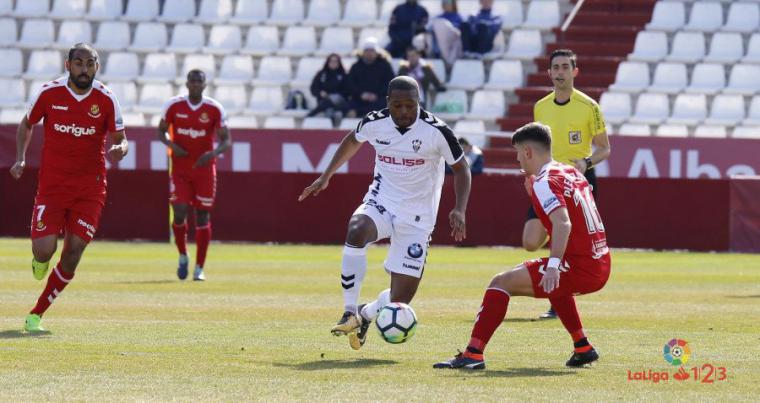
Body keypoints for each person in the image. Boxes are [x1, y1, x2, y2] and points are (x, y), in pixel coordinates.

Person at [299, 76, 471, 351]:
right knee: (356, 229)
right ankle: (348, 309)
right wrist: (326, 175)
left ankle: (365, 316)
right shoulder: (374, 122)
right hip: (382, 201)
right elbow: (353, 140)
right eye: (398, 106)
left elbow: (462, 168)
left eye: (410, 106)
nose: (404, 112)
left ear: (419, 103)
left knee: (400, 300)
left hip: (418, 216)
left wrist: (459, 208)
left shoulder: (436, 131)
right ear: (388, 103)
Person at [433, 122, 611, 370]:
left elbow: (563, 223)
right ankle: (582, 347)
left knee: (500, 283)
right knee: (555, 287)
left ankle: (473, 354)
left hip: (581, 266)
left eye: (517, 152)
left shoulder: (545, 180)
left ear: (528, 151)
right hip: (600, 260)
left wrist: (553, 265)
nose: (517, 158)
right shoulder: (569, 172)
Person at [9, 43, 128, 332]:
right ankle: (40, 261)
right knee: (43, 251)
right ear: (68, 65)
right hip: (52, 186)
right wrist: (21, 159)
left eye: (90, 63)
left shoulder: (107, 98)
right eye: (79, 63)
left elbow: (121, 138)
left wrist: (119, 148)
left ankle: (37, 313)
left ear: (96, 67)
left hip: (90, 189)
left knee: (73, 253)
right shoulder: (49, 93)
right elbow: (27, 124)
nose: (84, 69)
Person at [529, 49, 611, 319]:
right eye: (556, 67)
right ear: (549, 72)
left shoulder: (589, 106)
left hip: (577, 182)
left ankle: (558, 296)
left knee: (564, 237)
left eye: (566, 67)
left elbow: (604, 149)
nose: (560, 71)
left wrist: (586, 162)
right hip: (547, 182)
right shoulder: (540, 106)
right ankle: (556, 265)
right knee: (530, 241)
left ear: (575, 72)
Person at [157, 69, 231, 281]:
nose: (196, 84)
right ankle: (182, 255)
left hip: (205, 170)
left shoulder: (214, 108)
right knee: (179, 212)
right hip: (179, 169)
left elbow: (226, 139)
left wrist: (213, 153)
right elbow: (160, 131)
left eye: (200, 81)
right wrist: (172, 145)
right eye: (193, 81)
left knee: (202, 215)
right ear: (187, 84)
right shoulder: (173, 105)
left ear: (204, 85)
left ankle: (199, 267)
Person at [347, 38, 396, 118]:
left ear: (377, 52)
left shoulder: (385, 66)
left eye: (372, 50)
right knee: (350, 105)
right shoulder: (356, 66)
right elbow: (350, 85)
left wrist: (376, 95)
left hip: (379, 99)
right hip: (359, 99)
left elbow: (390, 84)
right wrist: (361, 94)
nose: (369, 53)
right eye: (367, 50)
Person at [307, 53, 351, 125]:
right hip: (324, 100)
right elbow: (313, 88)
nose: (333, 63)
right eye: (331, 61)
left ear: (339, 63)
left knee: (334, 98)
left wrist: (334, 95)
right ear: (327, 62)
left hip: (340, 101)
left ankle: (314, 112)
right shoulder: (321, 74)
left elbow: (348, 91)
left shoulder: (344, 75)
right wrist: (320, 93)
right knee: (329, 111)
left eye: (335, 61)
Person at [428, 0, 464, 67]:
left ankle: (450, 63)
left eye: (448, 2)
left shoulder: (459, 17)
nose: (446, 4)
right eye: (444, 2)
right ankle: (435, 54)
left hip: (454, 44)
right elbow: (430, 29)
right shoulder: (438, 18)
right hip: (440, 44)